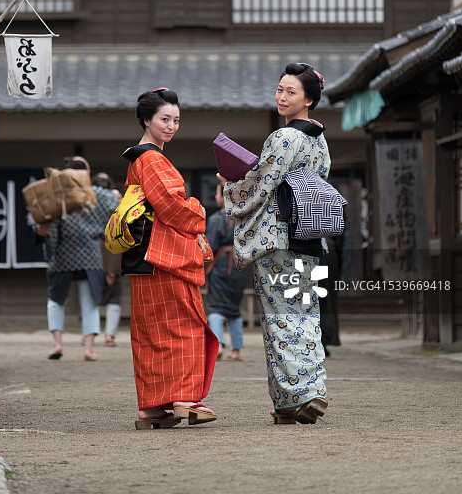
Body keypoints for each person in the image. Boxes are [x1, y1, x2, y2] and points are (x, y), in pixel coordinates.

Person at [219, 62, 330, 425]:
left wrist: (229, 186)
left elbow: (260, 185)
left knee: (280, 321)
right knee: (306, 315)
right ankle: (298, 397)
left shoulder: (284, 138)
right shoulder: (319, 140)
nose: (282, 97)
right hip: (310, 237)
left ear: (309, 99)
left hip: (279, 239)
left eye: (291, 92)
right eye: (280, 89)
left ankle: (299, 395)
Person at [122, 88, 219, 430]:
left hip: (143, 258)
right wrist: (199, 208)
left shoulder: (140, 159)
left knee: (151, 332)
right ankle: (184, 399)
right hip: (165, 257)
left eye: (176, 120)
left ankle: (152, 407)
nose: (171, 126)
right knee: (184, 325)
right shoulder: (151, 158)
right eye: (164, 119)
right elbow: (172, 207)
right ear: (146, 120)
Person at [35, 156, 118, 361]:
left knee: (55, 301)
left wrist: (43, 240)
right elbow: (114, 203)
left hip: (63, 250)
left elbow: (45, 220)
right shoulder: (96, 193)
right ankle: (88, 349)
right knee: (89, 303)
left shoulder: (57, 193)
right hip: (89, 252)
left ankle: (57, 344)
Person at [205, 182, 247, 361]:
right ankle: (236, 350)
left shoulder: (216, 219)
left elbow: (211, 246)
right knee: (234, 307)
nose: (216, 197)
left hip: (220, 264)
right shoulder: (245, 218)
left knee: (215, 305)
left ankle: (218, 345)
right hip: (239, 266)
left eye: (217, 194)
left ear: (224, 197)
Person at [93, 172, 123, 347]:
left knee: (91, 294)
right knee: (113, 296)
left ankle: (89, 333)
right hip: (112, 247)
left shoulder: (88, 199)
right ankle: (109, 335)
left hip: (92, 251)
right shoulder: (116, 199)